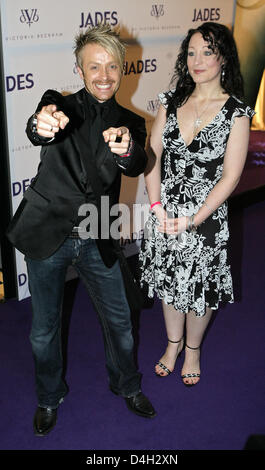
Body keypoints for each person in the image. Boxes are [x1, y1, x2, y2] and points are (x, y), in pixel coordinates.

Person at [7, 24, 156, 436]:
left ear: (123, 69)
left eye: (112, 66)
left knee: (121, 321)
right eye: (94, 67)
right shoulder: (59, 104)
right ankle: (49, 397)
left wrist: (126, 149)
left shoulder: (130, 122)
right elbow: (38, 125)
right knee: (43, 331)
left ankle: (127, 385)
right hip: (48, 234)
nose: (104, 75)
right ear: (79, 69)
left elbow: (138, 161)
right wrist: (42, 124)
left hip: (97, 234)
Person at [139, 22, 255, 386]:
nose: (197, 60)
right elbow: (152, 153)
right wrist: (157, 206)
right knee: (171, 283)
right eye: (191, 52)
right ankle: (172, 344)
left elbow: (231, 176)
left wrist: (194, 218)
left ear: (224, 58)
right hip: (166, 209)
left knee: (199, 288)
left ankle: (193, 349)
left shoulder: (236, 111)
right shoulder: (171, 100)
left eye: (207, 51)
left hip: (205, 216)